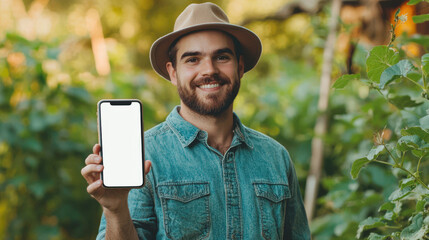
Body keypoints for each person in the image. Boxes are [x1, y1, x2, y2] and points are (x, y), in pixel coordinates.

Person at [81, 2, 310, 239]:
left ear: (240, 67)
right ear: (173, 72)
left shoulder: (276, 157)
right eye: (192, 59)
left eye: (221, 57)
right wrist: (116, 209)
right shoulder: (144, 156)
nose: (208, 70)